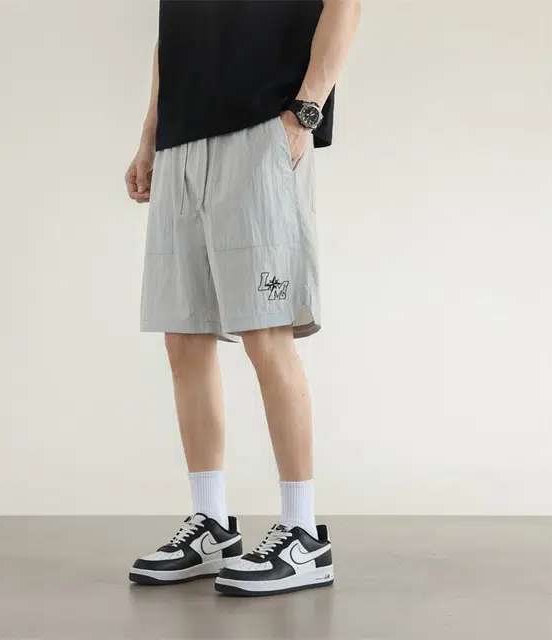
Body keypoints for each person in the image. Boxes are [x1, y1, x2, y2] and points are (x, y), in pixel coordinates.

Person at [125, 0, 361, 597]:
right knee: (184, 337)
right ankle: (210, 524)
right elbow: (172, 32)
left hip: (262, 129)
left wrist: (305, 112)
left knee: (266, 332)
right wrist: (151, 134)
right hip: (181, 141)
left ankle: (303, 536)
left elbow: (346, 4)